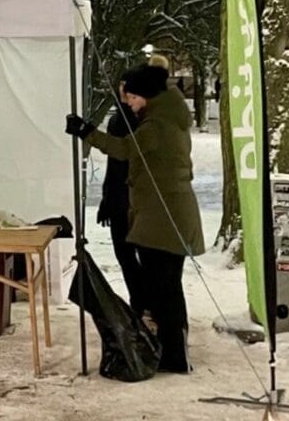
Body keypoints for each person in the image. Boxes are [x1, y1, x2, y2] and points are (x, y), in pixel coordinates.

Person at [65, 61, 204, 374]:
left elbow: (124, 150)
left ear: (147, 96)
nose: (127, 101)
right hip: (165, 215)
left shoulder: (157, 126)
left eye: (132, 97)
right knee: (165, 286)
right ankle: (171, 351)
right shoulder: (165, 115)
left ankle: (173, 355)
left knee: (164, 288)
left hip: (164, 217)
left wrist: (86, 132)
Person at [95, 76, 143, 316]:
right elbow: (113, 165)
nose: (124, 91)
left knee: (136, 256)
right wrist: (107, 199)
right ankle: (139, 301)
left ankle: (143, 303)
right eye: (122, 86)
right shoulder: (117, 119)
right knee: (124, 255)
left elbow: (123, 155)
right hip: (118, 196)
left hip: (135, 199)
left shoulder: (140, 119)